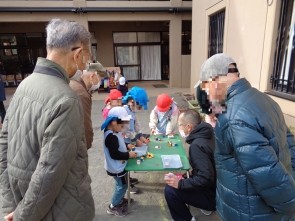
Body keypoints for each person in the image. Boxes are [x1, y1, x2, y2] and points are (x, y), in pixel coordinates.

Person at [0, 18, 95, 221]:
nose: (84, 64)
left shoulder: (24, 85)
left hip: (22, 201)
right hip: (60, 209)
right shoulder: (66, 99)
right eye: (85, 57)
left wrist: (10, 205)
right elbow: (49, 172)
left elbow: (4, 145)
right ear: (77, 54)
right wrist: (22, 216)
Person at [196, 53, 295, 220]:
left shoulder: (233, 117)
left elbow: (267, 174)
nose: (206, 94)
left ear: (214, 82)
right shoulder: (263, 99)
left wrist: (291, 205)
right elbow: (289, 143)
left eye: (205, 88)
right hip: (263, 208)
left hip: (249, 212)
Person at [164, 109, 216, 221]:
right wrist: (193, 173)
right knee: (183, 180)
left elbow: (206, 178)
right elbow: (209, 164)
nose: (179, 128)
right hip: (219, 188)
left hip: (213, 196)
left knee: (170, 190)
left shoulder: (197, 146)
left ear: (189, 127)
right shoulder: (208, 134)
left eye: (180, 125)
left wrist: (180, 184)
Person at [101, 106, 137, 217]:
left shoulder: (114, 132)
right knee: (121, 186)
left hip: (118, 166)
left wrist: (126, 145)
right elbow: (114, 154)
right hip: (116, 168)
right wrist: (128, 155)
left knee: (121, 184)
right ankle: (113, 206)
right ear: (113, 123)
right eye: (121, 125)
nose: (122, 128)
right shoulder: (110, 137)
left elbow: (118, 145)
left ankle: (119, 199)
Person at [70, 62, 108, 149]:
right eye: (100, 79)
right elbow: (85, 125)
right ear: (93, 76)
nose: (99, 83)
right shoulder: (81, 93)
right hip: (75, 145)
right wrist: (87, 144)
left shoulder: (74, 85)